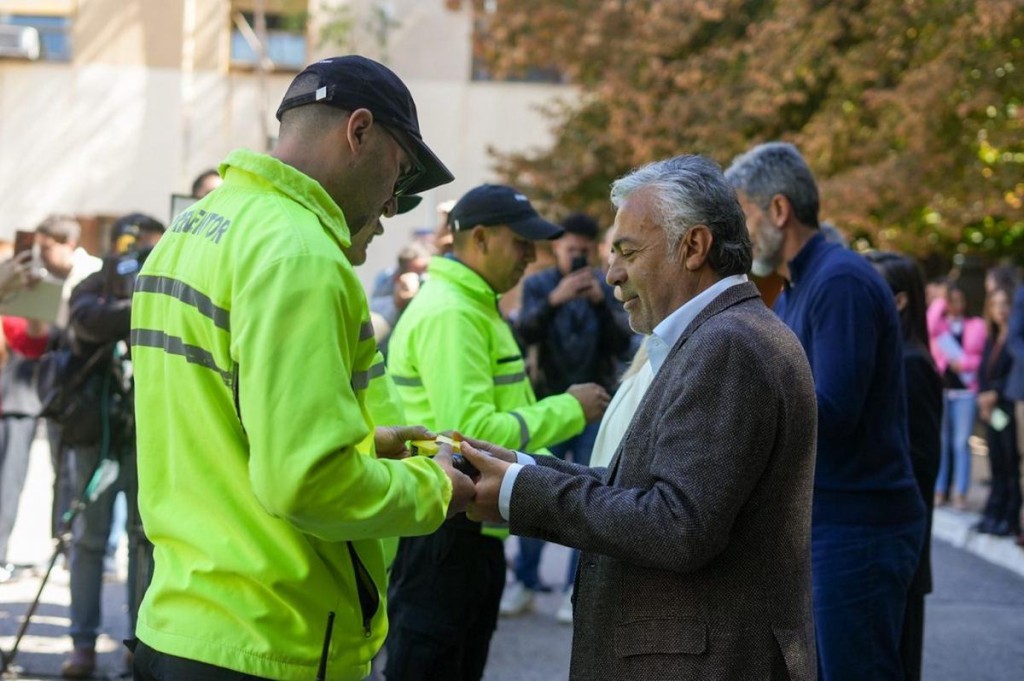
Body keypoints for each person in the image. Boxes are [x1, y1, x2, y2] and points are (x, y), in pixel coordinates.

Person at [129, 55, 474, 681]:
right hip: (273, 639)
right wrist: (438, 490)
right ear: (359, 131)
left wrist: (366, 443)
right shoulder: (301, 253)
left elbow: (231, 428)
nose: (394, 206)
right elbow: (308, 485)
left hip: (181, 623)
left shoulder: (195, 228)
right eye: (399, 174)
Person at [462, 155, 818, 680]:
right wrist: (520, 469)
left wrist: (520, 491)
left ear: (694, 247)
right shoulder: (726, 334)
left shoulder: (728, 344)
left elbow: (676, 524)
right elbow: (649, 490)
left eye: (628, 252)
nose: (611, 274)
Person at [384, 183, 610, 681]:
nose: (531, 258)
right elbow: (468, 432)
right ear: (481, 238)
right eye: (521, 243)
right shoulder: (453, 312)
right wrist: (571, 409)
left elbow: (503, 411)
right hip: (444, 535)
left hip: (470, 530)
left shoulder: (474, 305)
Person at [725, 142, 926, 681]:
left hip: (859, 527)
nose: (740, 235)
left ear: (779, 210)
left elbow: (833, 409)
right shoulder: (799, 286)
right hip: (832, 523)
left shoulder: (840, 282)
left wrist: (744, 400)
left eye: (743, 215)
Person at [501, 211, 633, 620]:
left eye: (582, 250)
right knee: (535, 489)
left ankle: (575, 590)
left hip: (596, 403)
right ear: (557, 247)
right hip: (549, 403)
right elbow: (523, 334)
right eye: (568, 248)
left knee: (592, 497)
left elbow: (622, 341)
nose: (575, 256)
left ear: (592, 250)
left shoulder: (603, 283)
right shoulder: (541, 284)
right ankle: (524, 581)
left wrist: (597, 304)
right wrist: (556, 299)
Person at [59, 213, 166, 678]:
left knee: (145, 539)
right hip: (97, 428)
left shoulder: (170, 282)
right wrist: (136, 302)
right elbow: (85, 324)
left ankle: (138, 644)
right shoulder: (94, 283)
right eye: (137, 250)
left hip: (150, 431)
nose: (142, 259)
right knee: (88, 540)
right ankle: (82, 645)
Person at [864, 251, 943, 681]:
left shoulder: (912, 365)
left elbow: (920, 466)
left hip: (898, 552)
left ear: (898, 301)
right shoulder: (895, 358)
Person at [927, 282, 986, 508]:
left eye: (959, 300)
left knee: (961, 443)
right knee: (942, 441)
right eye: (951, 301)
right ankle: (940, 490)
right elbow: (930, 322)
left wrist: (965, 364)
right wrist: (942, 298)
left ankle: (961, 492)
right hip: (943, 389)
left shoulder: (976, 324)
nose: (955, 305)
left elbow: (981, 356)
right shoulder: (940, 325)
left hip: (966, 392)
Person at [975, 284, 1021, 537]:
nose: (1000, 310)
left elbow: (1014, 374)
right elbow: (983, 374)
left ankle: (1009, 516)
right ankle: (993, 512)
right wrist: (983, 397)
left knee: (1009, 462)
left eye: (1005, 304)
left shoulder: (1015, 341)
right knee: (995, 462)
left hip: (1008, 406)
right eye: (995, 305)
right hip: (990, 410)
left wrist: (995, 393)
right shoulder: (991, 338)